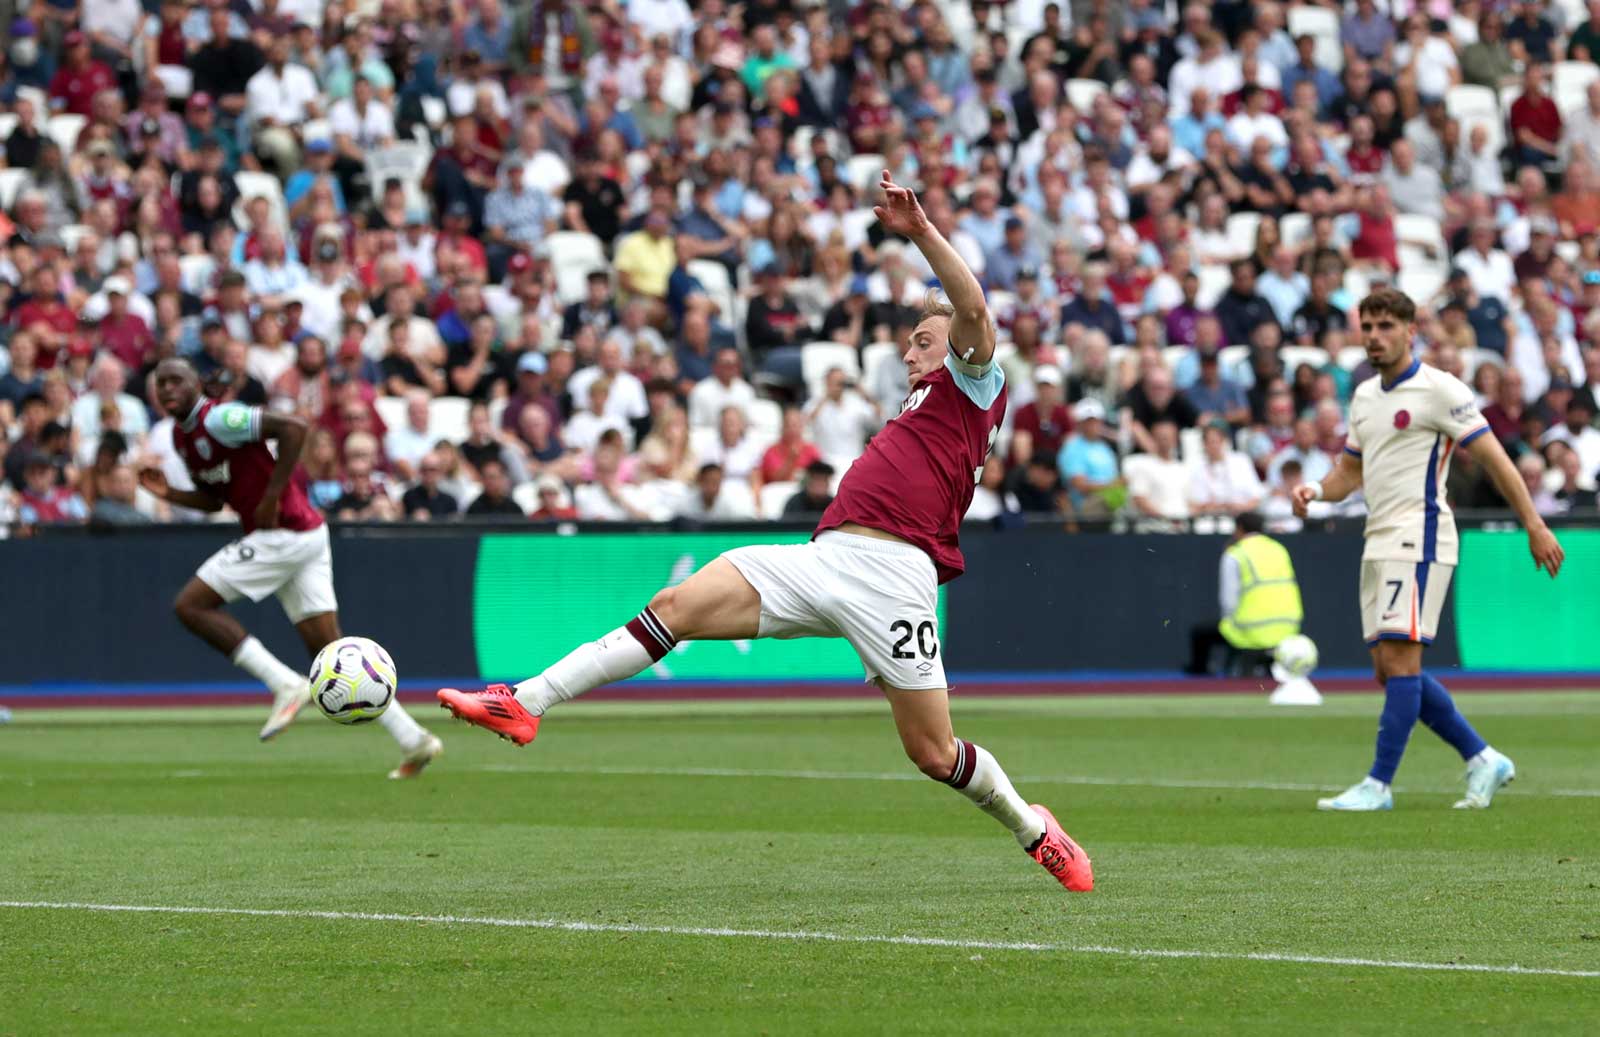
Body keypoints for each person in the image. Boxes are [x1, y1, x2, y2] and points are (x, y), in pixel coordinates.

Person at [437, 170, 1093, 893]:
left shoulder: (972, 385)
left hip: (898, 578)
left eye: (922, 340)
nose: (910, 352)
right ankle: (524, 702)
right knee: (676, 604)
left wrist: (921, 232)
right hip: (825, 557)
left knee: (935, 754)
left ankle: (1034, 830)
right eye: (909, 341)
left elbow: (970, 304)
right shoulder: (920, 401)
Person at [1292, 289, 1565, 812]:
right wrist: (1315, 491)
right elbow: (1350, 471)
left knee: (1401, 662)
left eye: (1385, 326)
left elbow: (1495, 459)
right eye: (1367, 326)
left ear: (1408, 331)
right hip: (1379, 539)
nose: (1374, 336)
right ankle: (1483, 758)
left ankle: (1378, 784)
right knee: (1388, 670)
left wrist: (1533, 523)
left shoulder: (1440, 390)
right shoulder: (1367, 396)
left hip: (1420, 537)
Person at [138, 359, 442, 778]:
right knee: (330, 654)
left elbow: (295, 428)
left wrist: (272, 496)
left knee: (191, 606)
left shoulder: (221, 417)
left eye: (176, 380)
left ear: (196, 385)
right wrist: (169, 493)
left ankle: (284, 683)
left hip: (283, 532)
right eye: (160, 383)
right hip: (304, 536)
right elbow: (213, 499)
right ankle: (414, 739)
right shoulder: (181, 435)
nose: (167, 388)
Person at [1184, 512, 1303, 676]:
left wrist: (1229, 623)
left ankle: (1201, 684)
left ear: (1239, 528)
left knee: (1200, 634)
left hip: (1249, 633)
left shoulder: (1235, 554)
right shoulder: (1279, 549)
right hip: (1288, 629)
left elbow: (1228, 602)